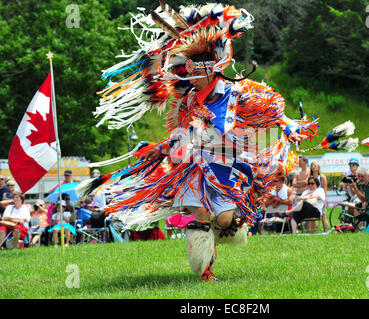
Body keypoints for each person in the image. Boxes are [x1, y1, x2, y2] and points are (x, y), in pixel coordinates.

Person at [80, 3, 315, 282]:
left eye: (195, 71)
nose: (190, 77)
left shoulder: (234, 92)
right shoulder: (189, 100)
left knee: (225, 221)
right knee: (202, 214)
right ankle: (205, 270)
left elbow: (270, 106)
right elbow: (182, 134)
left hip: (229, 165)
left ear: (210, 68)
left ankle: (219, 233)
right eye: (187, 72)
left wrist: (288, 125)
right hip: (198, 164)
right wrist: (161, 149)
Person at [310, 161, 329, 232]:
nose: (313, 167)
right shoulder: (310, 177)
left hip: (320, 198)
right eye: (312, 165)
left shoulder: (322, 177)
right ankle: (313, 231)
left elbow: (325, 189)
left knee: (323, 216)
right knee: (312, 216)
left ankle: (326, 231)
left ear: (318, 167)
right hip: (313, 198)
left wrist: (324, 201)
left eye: (315, 165)